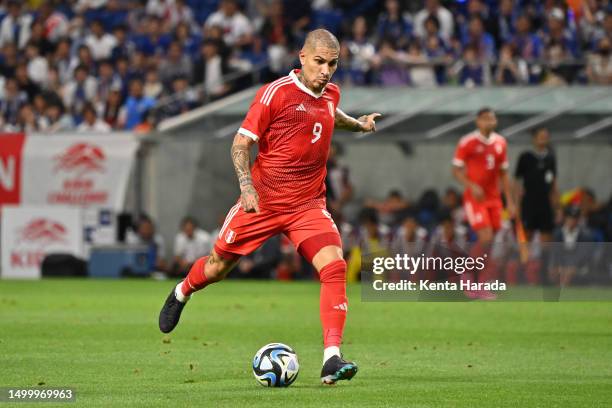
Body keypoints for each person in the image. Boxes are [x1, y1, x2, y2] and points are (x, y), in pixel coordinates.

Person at [159, 29, 381, 385]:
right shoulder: (274, 94)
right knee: (217, 268)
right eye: (320, 62)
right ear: (302, 57)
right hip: (262, 201)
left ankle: (331, 358)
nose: (326, 70)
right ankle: (181, 291)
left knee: (335, 266)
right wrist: (246, 188)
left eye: (333, 64)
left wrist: (361, 125)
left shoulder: (330, 93)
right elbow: (240, 144)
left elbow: (332, 114)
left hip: (307, 204)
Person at [452, 107, 516, 299]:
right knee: (486, 237)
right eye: (486, 119)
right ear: (478, 121)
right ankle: (467, 276)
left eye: (492, 119)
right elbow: (455, 170)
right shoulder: (467, 142)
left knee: (489, 243)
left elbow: (504, 174)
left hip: (494, 199)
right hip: (475, 198)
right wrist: (471, 185)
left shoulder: (500, 143)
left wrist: (510, 201)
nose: (489, 122)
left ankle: (481, 284)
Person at [514, 127, 558, 242]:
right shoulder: (526, 157)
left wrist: (556, 206)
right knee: (526, 235)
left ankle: (545, 259)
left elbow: (553, 183)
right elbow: (517, 181)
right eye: (541, 137)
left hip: (545, 203)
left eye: (545, 137)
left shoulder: (550, 158)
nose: (543, 139)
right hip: (529, 202)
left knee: (547, 237)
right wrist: (517, 205)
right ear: (534, 138)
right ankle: (524, 259)